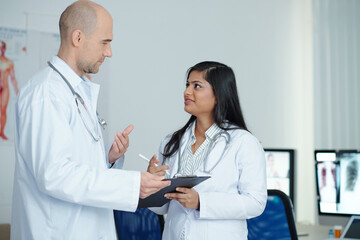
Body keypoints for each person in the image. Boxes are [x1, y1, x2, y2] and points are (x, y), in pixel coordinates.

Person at [11, 1, 169, 239]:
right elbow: (54, 175)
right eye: (105, 42)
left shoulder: (75, 90)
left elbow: (73, 162)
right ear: (78, 38)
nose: (109, 52)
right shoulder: (46, 94)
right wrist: (132, 183)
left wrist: (108, 157)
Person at [148, 61, 267, 239]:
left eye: (197, 86)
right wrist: (153, 185)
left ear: (219, 94)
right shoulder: (171, 142)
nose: (187, 91)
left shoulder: (244, 143)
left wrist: (201, 202)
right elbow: (162, 208)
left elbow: (255, 203)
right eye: (187, 85)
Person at [0, 40, 19, 140]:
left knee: (3, 110)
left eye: (2, 47)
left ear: (5, 49)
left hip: (5, 88)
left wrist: (17, 90)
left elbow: (13, 77)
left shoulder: (9, 62)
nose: (1, 49)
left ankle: (1, 132)